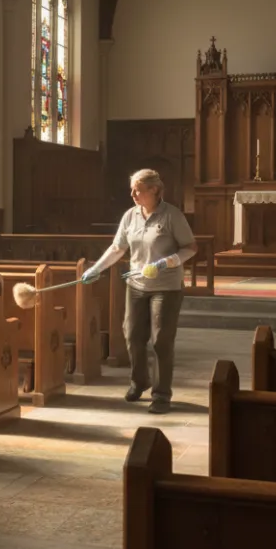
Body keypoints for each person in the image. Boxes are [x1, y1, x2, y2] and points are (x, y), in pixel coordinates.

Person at [81, 169, 196, 414]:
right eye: (132, 189)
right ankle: (139, 381)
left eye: (138, 189)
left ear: (154, 189)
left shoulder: (172, 215)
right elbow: (117, 247)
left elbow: (190, 248)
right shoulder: (130, 216)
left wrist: (166, 262)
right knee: (132, 336)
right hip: (136, 286)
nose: (132, 194)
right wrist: (96, 268)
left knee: (161, 341)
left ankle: (161, 394)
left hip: (166, 287)